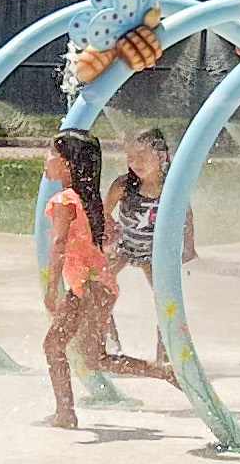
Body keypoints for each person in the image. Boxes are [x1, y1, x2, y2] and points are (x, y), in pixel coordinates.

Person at [40, 128, 176, 428]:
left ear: (66, 163)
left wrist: (52, 289)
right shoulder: (84, 198)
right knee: (95, 358)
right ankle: (162, 372)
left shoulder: (65, 201)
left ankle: (65, 414)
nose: (45, 156)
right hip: (100, 287)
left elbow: (59, 245)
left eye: (51, 151)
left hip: (86, 288)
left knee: (55, 346)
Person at [107, 123, 192, 289]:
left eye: (142, 157)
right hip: (123, 247)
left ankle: (172, 315)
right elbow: (103, 213)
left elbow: (186, 217)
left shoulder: (171, 188)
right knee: (101, 281)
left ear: (160, 156)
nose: (135, 163)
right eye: (131, 157)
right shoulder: (123, 185)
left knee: (163, 291)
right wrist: (109, 236)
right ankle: (98, 314)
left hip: (153, 253)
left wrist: (188, 250)